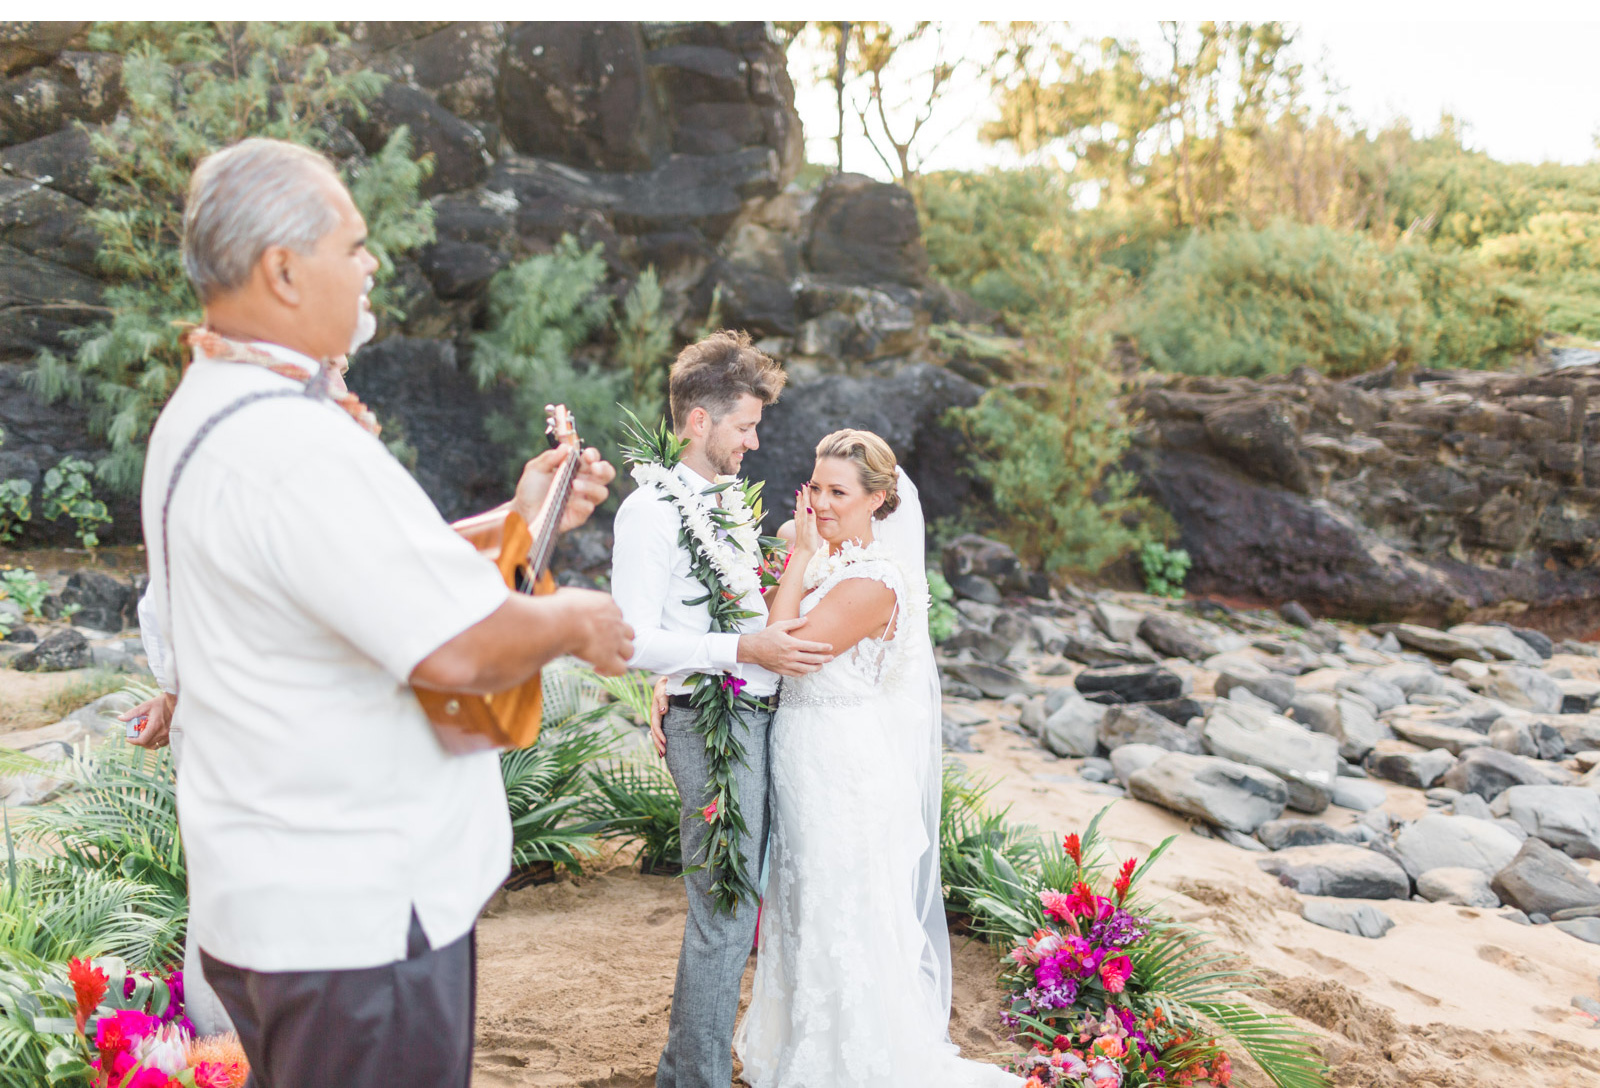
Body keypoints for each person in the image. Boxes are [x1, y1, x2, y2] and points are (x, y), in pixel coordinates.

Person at [140, 136, 633, 1088]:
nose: (371, 266)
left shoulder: (211, 411)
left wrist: (519, 517)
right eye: (354, 244)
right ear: (283, 270)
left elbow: (350, 577)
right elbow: (457, 648)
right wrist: (577, 617)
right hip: (356, 927)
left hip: (278, 911)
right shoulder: (292, 441)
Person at [733, 430, 1020, 1086]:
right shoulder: (830, 555)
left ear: (879, 500)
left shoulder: (873, 582)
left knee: (842, 907)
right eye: (814, 487)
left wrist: (802, 555)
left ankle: (850, 1065)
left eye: (839, 492)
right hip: (802, 756)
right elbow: (773, 540)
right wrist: (804, 546)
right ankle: (800, 1049)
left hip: (841, 764)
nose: (821, 503)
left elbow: (782, 647)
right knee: (803, 904)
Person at [609, 331, 835, 1088]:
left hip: (752, 713)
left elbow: (739, 618)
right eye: (745, 424)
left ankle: (690, 1067)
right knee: (725, 914)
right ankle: (692, 1081)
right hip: (712, 720)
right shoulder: (650, 512)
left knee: (741, 911)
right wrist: (743, 656)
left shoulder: (726, 508)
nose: (755, 439)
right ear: (699, 422)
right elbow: (631, 641)